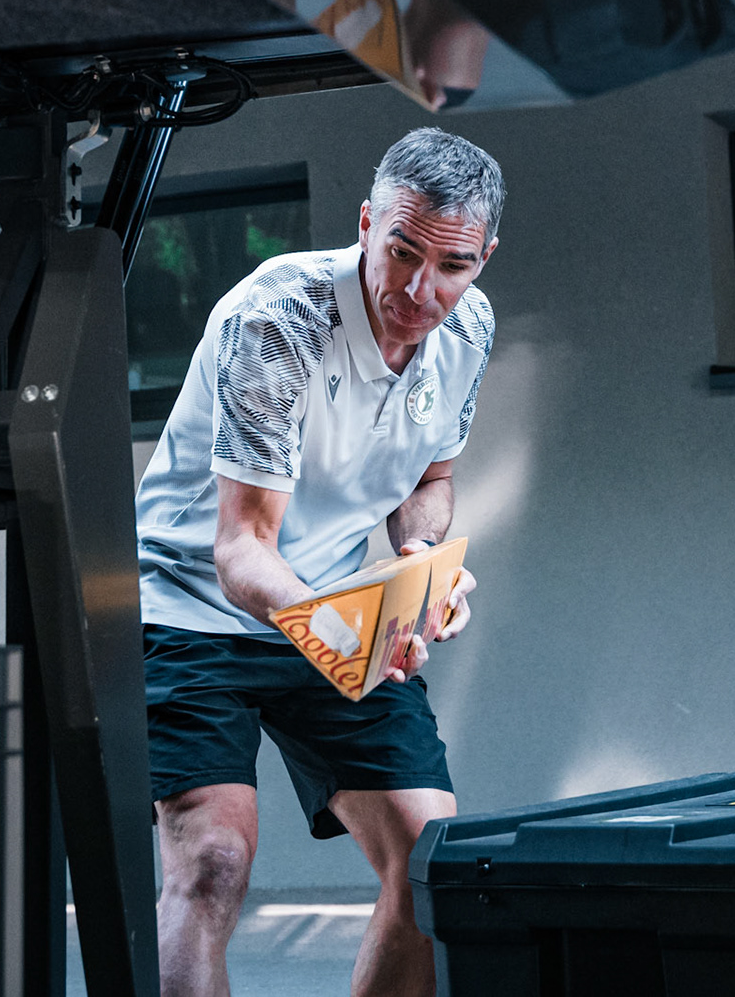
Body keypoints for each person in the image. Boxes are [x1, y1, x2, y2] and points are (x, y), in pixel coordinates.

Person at [136, 127, 501, 996]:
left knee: (428, 864)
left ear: (483, 257)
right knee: (214, 861)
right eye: (402, 252)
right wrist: (343, 625)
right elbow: (241, 551)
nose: (420, 289)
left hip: (330, 601)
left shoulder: (469, 330)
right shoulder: (279, 321)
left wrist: (421, 565)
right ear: (368, 222)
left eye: (451, 266)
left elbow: (431, 479)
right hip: (188, 606)